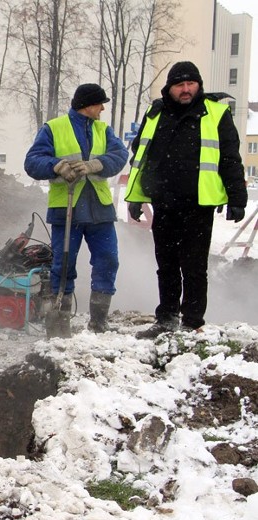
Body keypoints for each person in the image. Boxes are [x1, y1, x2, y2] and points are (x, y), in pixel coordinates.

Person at [125, 61, 247, 337]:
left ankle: (192, 321)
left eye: (191, 84)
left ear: (199, 85)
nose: (186, 89)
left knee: (194, 266)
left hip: (198, 203)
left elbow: (230, 157)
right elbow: (141, 157)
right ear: (169, 88)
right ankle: (166, 317)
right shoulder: (156, 113)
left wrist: (237, 197)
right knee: (166, 264)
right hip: (163, 201)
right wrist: (137, 197)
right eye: (180, 85)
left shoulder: (215, 112)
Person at [24, 83, 129, 333]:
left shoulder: (103, 130)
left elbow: (120, 155)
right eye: (100, 103)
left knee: (108, 260)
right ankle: (59, 323)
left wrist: (96, 165)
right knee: (63, 266)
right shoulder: (54, 128)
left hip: (99, 210)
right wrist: (56, 166)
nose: (103, 108)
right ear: (88, 105)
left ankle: (98, 322)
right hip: (67, 209)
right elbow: (32, 161)